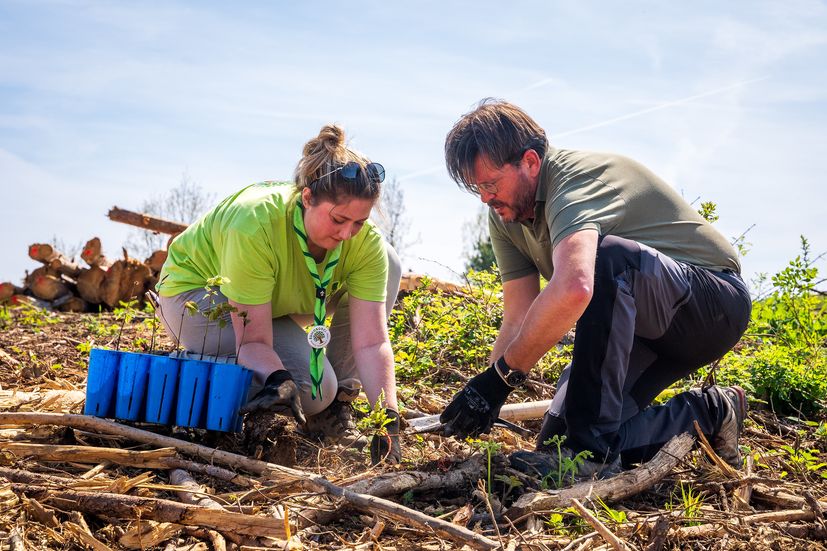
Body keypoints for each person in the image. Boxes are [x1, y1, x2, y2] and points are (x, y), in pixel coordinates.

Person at [439, 99, 752, 478]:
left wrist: (503, 377)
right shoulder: (505, 218)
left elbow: (576, 287)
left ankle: (592, 456)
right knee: (560, 440)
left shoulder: (571, 181)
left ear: (530, 162)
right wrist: (484, 392)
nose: (486, 198)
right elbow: (518, 317)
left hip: (710, 305)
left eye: (491, 184)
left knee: (605, 257)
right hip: (638, 329)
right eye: (477, 189)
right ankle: (714, 411)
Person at [155, 125, 402, 465]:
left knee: (388, 259)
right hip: (199, 298)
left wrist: (388, 417)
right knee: (309, 389)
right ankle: (179, 378)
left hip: (272, 302)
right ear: (307, 198)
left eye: (358, 222)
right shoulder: (254, 224)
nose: (348, 233)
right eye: (339, 219)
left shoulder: (362, 241)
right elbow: (253, 341)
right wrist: (278, 379)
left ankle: (335, 407)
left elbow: (371, 342)